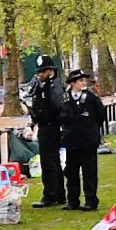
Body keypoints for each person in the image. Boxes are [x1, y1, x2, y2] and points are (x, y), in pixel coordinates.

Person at [59, 69, 107, 210]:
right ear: (72, 83)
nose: (83, 83)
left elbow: (100, 116)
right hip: (72, 141)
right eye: (80, 80)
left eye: (84, 80)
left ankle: (91, 200)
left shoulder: (91, 98)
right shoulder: (65, 98)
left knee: (89, 172)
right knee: (71, 172)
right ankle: (73, 200)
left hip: (87, 141)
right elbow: (61, 116)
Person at [29, 64, 69, 206]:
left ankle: (51, 195)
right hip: (49, 125)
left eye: (42, 71)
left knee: (48, 161)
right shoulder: (48, 85)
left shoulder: (51, 87)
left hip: (49, 127)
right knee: (53, 161)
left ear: (50, 71)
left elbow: (55, 106)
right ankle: (58, 194)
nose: (40, 74)